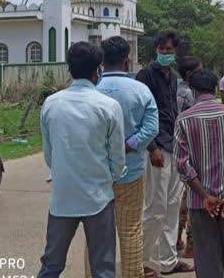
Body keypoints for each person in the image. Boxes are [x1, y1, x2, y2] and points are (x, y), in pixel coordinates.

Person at [38, 42, 126, 278]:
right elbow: (117, 154)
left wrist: (61, 171)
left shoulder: (51, 103)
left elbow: (49, 152)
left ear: (69, 68)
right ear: (99, 69)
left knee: (51, 264)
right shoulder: (108, 106)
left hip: (62, 196)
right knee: (103, 267)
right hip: (98, 195)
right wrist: (114, 176)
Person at [83, 36, 159, 278]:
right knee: (130, 231)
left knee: (94, 235)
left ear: (101, 60)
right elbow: (151, 127)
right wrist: (128, 145)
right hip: (131, 171)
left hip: (95, 172)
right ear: (128, 59)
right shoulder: (141, 90)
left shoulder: (90, 89)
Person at [173, 69, 224, 278]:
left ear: (193, 90)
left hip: (201, 203)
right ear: (216, 88)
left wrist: (205, 196)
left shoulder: (183, 119)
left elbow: (182, 164)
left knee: (207, 258)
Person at [136, 31, 194, 275]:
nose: (167, 53)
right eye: (163, 49)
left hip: (173, 144)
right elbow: (140, 114)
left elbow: (172, 111)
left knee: (172, 206)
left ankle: (168, 261)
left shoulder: (173, 77)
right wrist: (151, 147)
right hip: (156, 148)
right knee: (155, 207)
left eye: (171, 50)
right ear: (156, 50)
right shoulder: (145, 75)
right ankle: (141, 261)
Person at [175, 55, 202, 259]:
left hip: (175, 150)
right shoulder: (190, 94)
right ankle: (192, 246)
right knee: (191, 200)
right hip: (190, 153)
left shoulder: (173, 88)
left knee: (177, 200)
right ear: (190, 74)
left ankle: (176, 239)